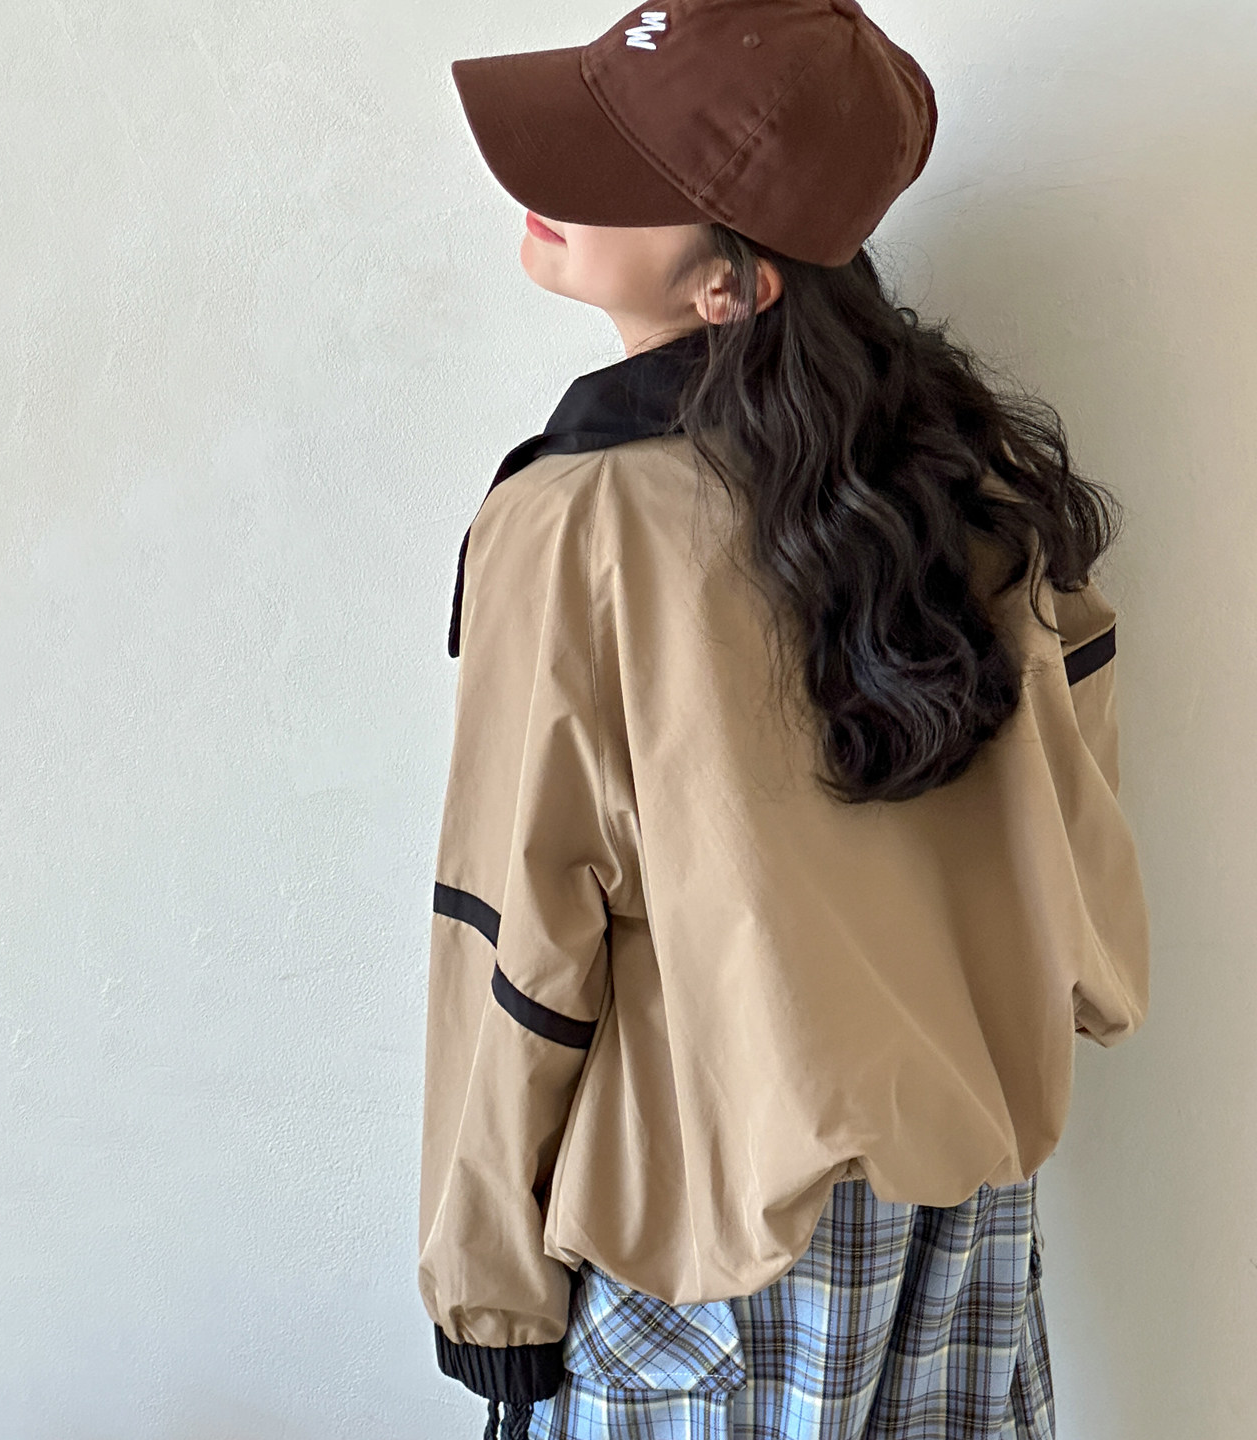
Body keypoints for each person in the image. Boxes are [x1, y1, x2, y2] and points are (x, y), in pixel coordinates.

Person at [416, 3, 1151, 1437]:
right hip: (962, 1222)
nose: (547, 184)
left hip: (707, 1232)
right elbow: (1080, 883)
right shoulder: (971, 483)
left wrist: (487, 1284)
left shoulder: (576, 525)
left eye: (616, 170)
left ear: (731, 286)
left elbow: (512, 923)